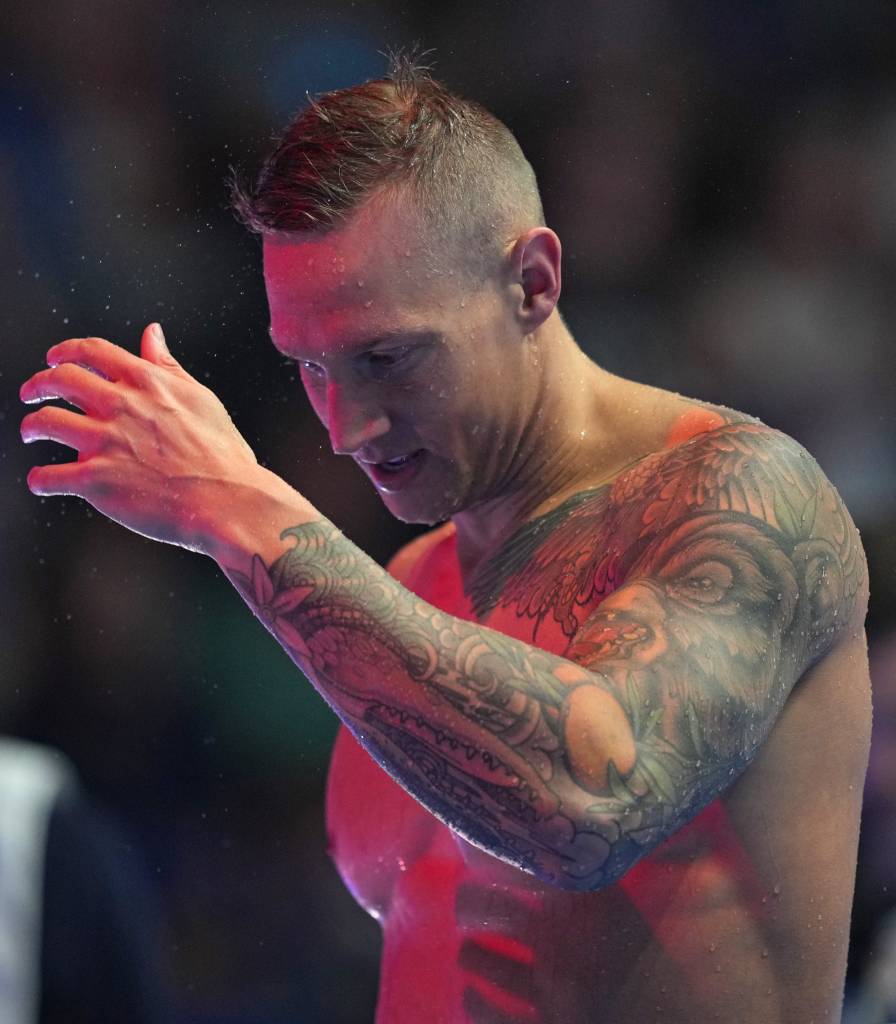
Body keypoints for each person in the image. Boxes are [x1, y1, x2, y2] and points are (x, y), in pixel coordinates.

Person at [19, 53, 871, 1023]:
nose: (346, 429)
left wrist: (239, 508)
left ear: (532, 281)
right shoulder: (401, 589)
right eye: (310, 367)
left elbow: (588, 803)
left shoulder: (739, 495)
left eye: (385, 356)